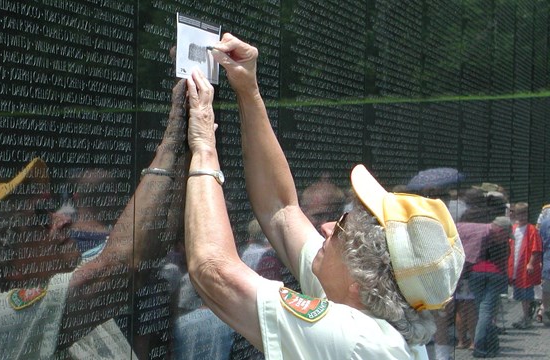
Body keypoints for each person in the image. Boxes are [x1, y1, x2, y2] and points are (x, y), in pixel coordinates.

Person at [183, 34, 465, 359]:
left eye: (343, 228)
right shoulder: (373, 313)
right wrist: (249, 90)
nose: (327, 227)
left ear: (362, 281)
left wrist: (204, 146)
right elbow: (282, 210)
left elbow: (214, 271)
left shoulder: (358, 340)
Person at [0, 79, 189, 359]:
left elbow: (156, 242)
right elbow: (123, 265)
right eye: (40, 220)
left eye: (50, 209)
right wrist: (174, 133)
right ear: (7, 266)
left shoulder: (59, 289)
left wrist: (189, 134)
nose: (62, 219)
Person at [468, 216, 511, 358]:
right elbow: (505, 261)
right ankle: (480, 346)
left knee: (482, 310)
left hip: (476, 273)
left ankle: (492, 343)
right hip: (495, 274)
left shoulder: (482, 237)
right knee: (487, 311)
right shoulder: (504, 243)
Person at [508, 202, 542, 329]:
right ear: (515, 215)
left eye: (524, 213)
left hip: (525, 266)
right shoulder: (513, 228)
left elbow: (536, 248)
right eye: (519, 214)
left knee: (525, 292)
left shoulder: (531, 229)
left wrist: (531, 263)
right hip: (515, 265)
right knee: (519, 293)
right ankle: (525, 315)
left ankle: (527, 318)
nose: (522, 216)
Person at [536, 204, 550, 326]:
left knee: (547, 287)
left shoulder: (545, 222)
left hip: (547, 257)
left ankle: (545, 309)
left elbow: (541, 241)